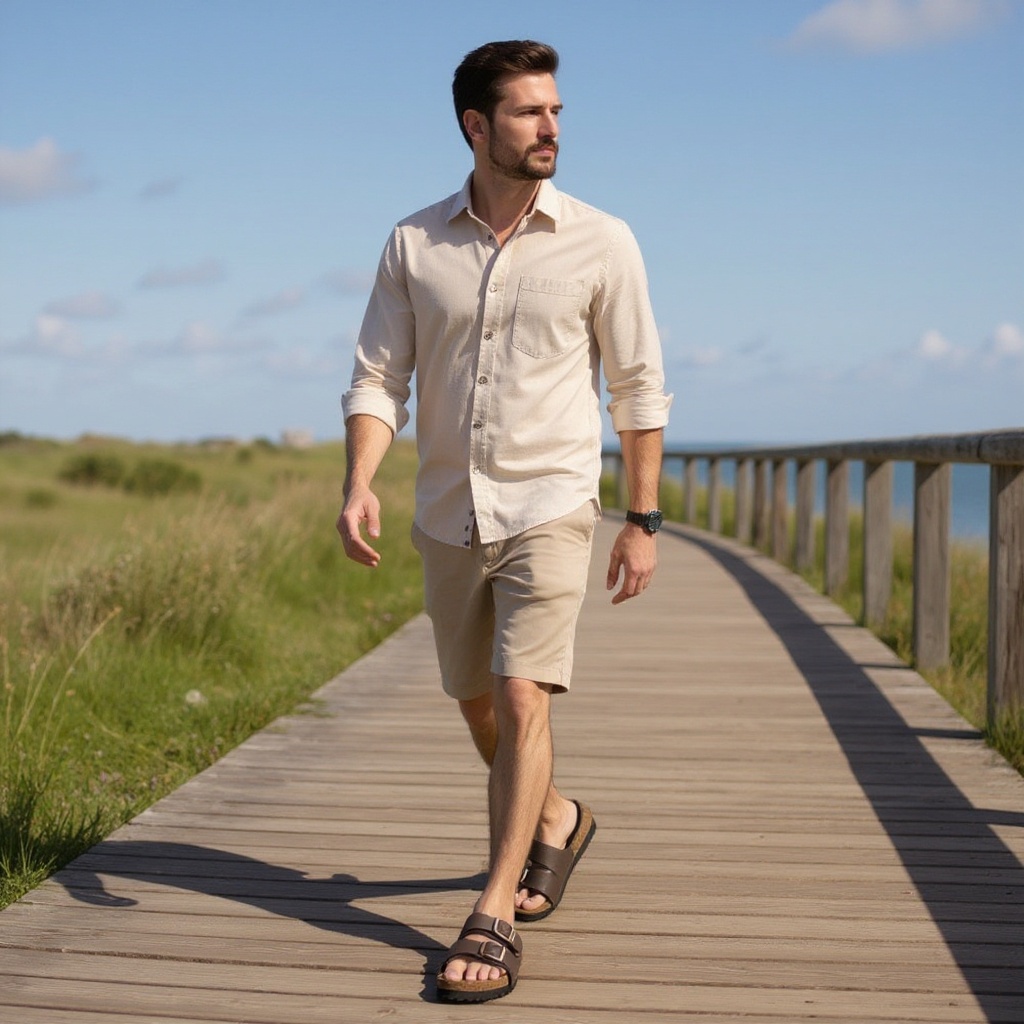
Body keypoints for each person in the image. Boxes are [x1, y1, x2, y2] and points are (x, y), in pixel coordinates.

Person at [337, 39, 671, 1003]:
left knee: (524, 697)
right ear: (476, 126)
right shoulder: (413, 243)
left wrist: (642, 518)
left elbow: (641, 387)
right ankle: (558, 817)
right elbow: (377, 378)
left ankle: (490, 909)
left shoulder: (604, 240)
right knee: (476, 703)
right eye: (529, 113)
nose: (552, 128)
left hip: (552, 503)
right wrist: (360, 480)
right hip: (449, 510)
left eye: (557, 111)